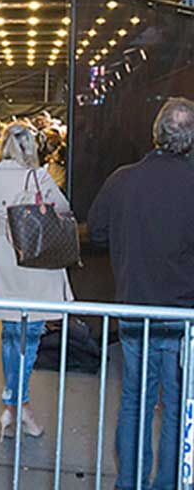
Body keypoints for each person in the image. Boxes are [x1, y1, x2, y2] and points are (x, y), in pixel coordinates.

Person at [88, 97, 194, 490]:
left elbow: (96, 232)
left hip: (135, 313)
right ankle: (169, 483)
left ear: (156, 133)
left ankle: (129, 483)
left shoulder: (122, 179)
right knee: (179, 409)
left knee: (135, 401)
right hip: (184, 318)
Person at [0, 122, 74, 442]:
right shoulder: (40, 177)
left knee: (9, 334)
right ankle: (19, 404)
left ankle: (12, 406)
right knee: (30, 334)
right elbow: (63, 208)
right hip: (36, 259)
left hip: (5, 258)